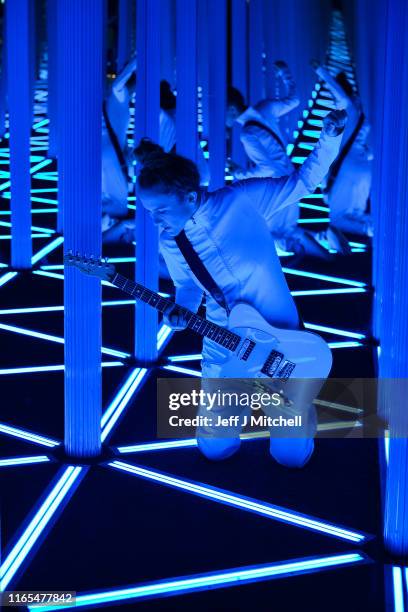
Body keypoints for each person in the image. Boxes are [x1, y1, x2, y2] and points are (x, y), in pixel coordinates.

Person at [135, 109, 347, 468]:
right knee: (214, 447)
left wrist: (330, 136)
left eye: (160, 210)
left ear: (188, 195)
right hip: (222, 338)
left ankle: (301, 414)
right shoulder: (170, 240)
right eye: (148, 211)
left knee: (291, 456)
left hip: (280, 336)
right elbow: (187, 284)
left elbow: (304, 181)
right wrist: (179, 309)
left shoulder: (241, 200)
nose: (154, 220)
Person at [226, 62, 341, 259]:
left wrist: (237, 172)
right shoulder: (265, 109)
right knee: (286, 230)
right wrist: (285, 74)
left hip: (275, 184)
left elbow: (267, 167)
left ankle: (327, 256)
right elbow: (294, 99)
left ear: (231, 109)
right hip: (289, 173)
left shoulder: (247, 133)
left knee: (274, 235)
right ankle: (327, 248)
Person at [312, 62, 373, 237]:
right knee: (352, 213)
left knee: (339, 217)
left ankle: (372, 229)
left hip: (353, 169)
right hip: (360, 166)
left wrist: (320, 70)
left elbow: (342, 97)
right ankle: (372, 228)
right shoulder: (362, 113)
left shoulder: (349, 111)